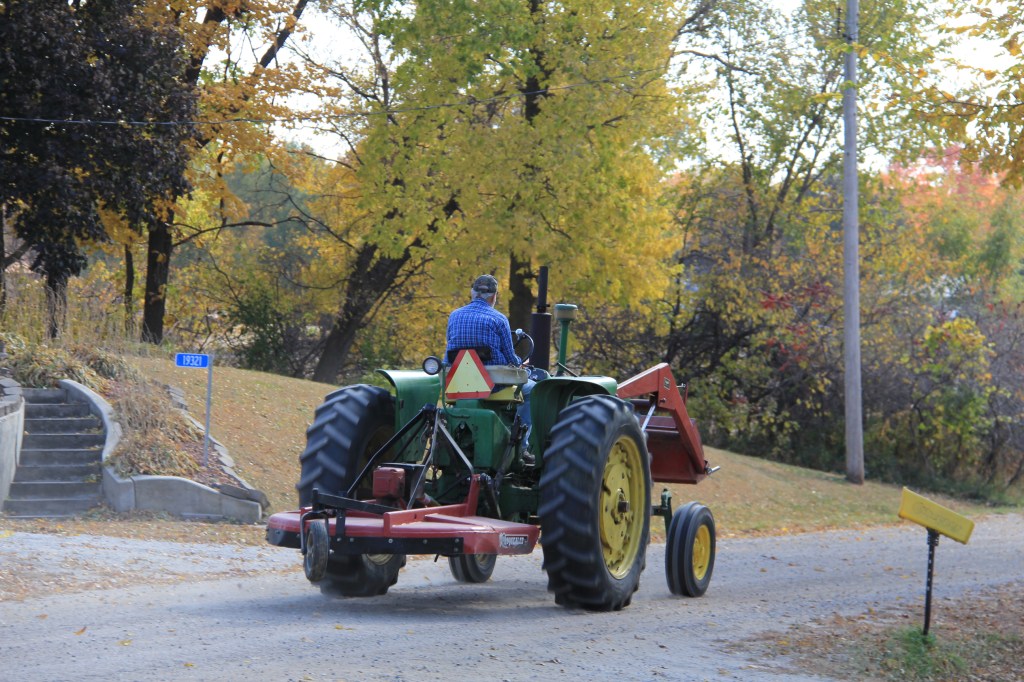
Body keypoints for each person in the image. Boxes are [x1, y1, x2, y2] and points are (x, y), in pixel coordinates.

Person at [446, 274, 534, 448]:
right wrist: (520, 363)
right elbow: (510, 358)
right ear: (494, 296)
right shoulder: (498, 319)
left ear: (472, 293)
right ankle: (521, 445)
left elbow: (450, 349)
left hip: (459, 383)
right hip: (492, 385)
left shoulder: (454, 316)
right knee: (532, 390)